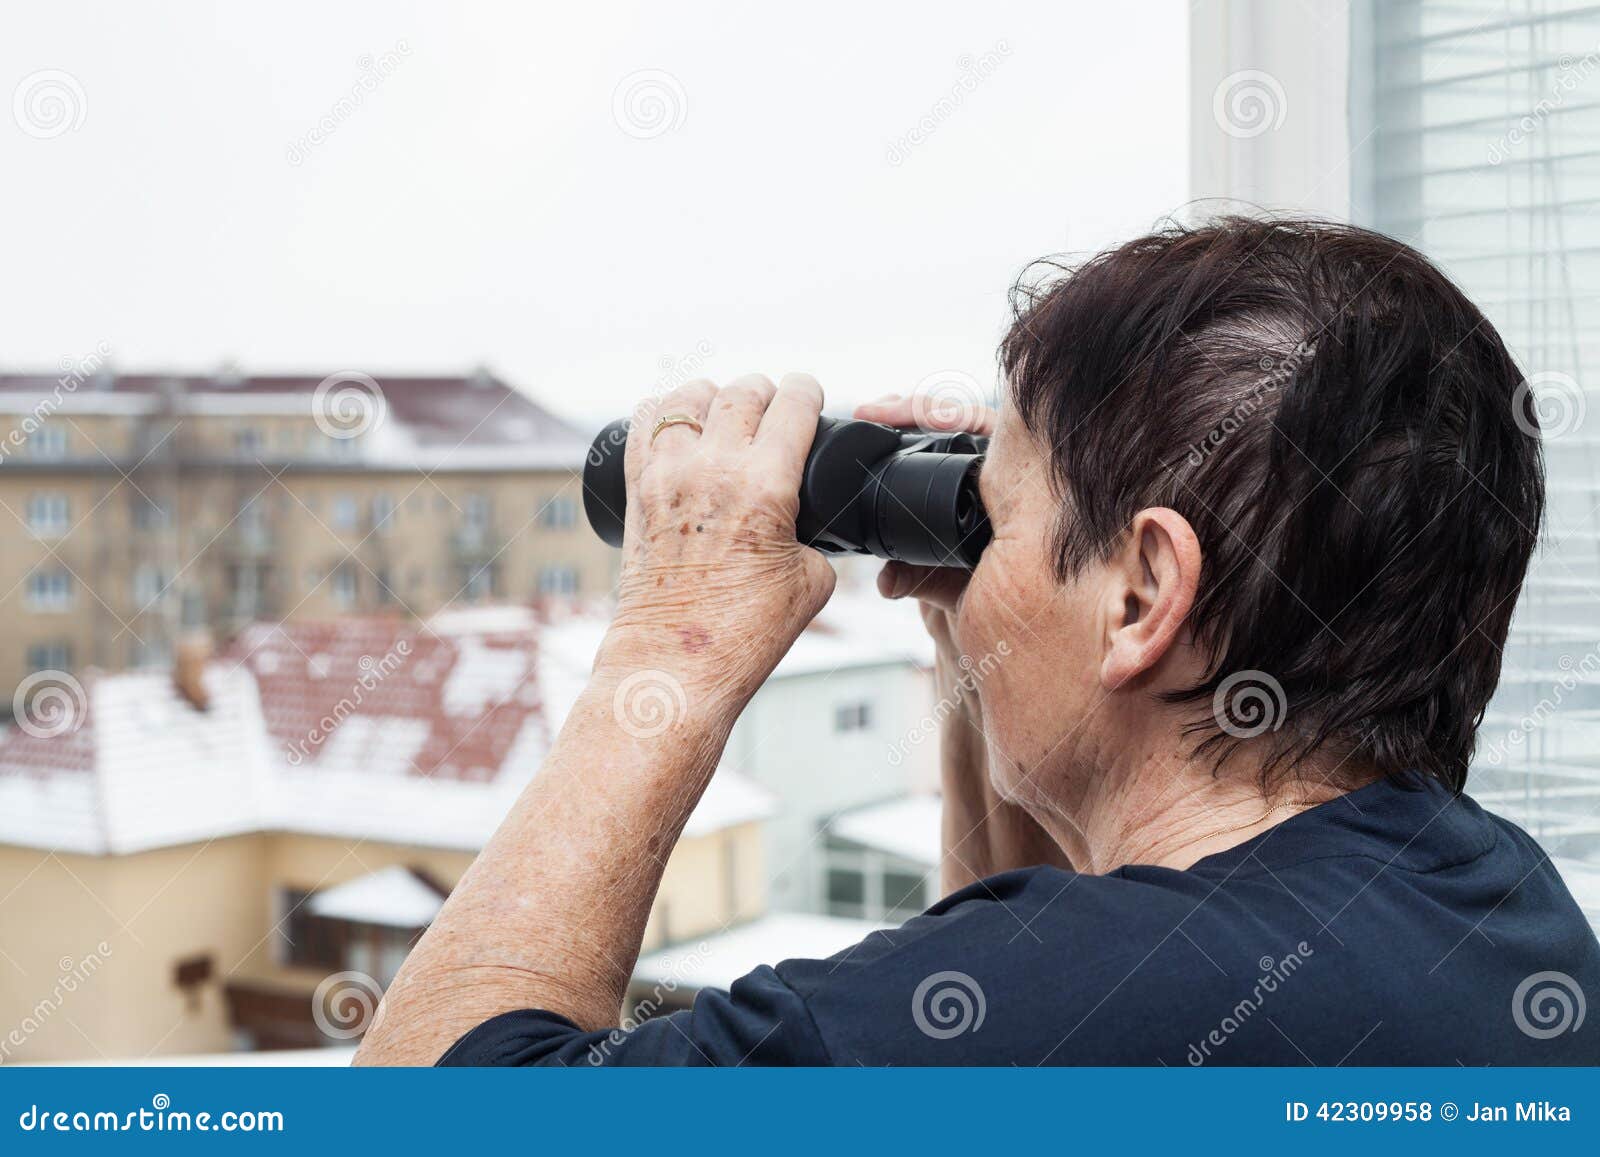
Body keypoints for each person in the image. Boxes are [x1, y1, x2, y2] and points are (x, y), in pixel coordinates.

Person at [355, 219, 1600, 1066]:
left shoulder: (1087, 997)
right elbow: (1031, 963)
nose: (974, 557)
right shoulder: (1501, 908)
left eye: (991, 518)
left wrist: (669, 640)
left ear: (1142, 594)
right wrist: (982, 633)